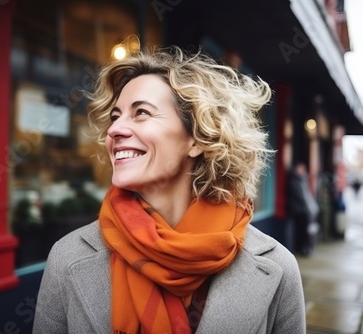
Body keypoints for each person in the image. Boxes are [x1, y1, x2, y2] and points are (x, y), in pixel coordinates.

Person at [33, 45, 305, 334]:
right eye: (115, 116)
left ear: (198, 139)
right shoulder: (67, 256)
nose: (114, 130)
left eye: (141, 113)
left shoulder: (277, 268)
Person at [286, 163, 319, 256]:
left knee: (305, 231)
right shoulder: (295, 181)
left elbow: (308, 196)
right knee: (301, 231)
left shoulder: (303, 180)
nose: (302, 171)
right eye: (300, 169)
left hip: (305, 211)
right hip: (299, 211)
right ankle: (301, 248)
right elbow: (303, 197)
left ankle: (305, 247)